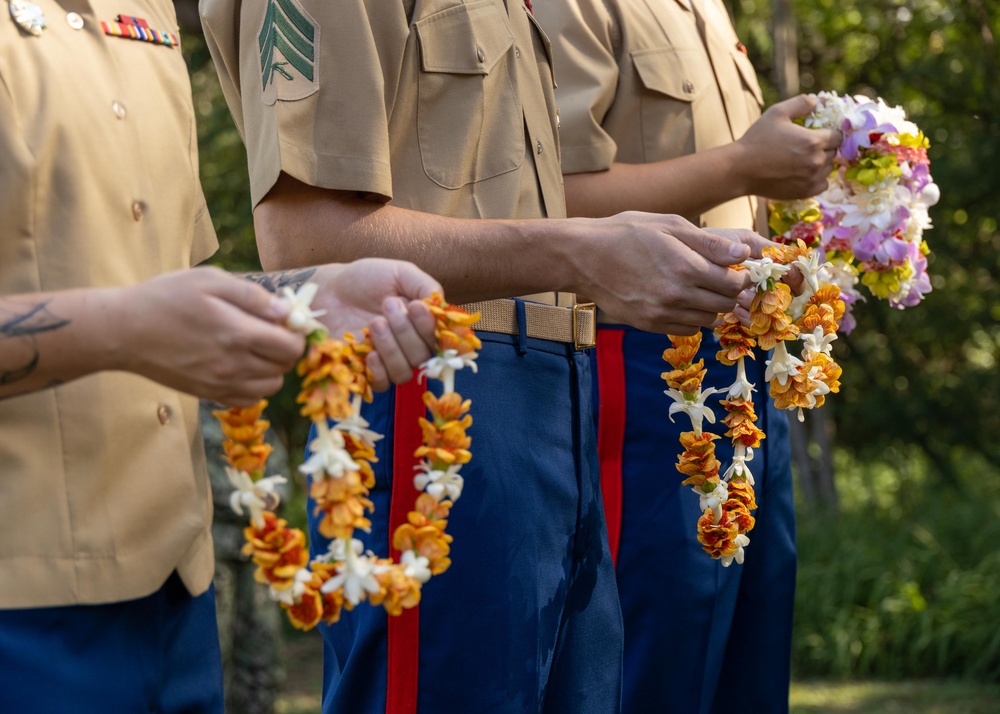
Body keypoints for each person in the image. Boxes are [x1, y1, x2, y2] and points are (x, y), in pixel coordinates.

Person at [201, 1, 775, 711]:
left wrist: (612, 245)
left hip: (558, 389)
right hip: (431, 385)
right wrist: (580, 251)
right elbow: (304, 240)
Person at [0, 2, 444, 711]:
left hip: (177, 594)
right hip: (21, 607)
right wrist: (123, 328)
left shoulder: (140, 13)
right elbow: (130, 314)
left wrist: (307, 295)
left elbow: (150, 285)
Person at [532, 1, 841, 712]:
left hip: (748, 363)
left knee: (747, 656)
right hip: (646, 363)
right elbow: (554, 200)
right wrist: (742, 166)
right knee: (654, 653)